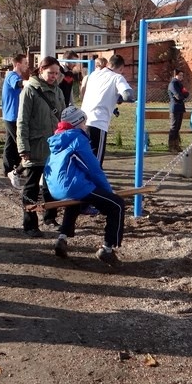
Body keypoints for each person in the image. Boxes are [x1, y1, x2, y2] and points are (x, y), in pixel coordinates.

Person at [44, 106, 126, 265]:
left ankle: (62, 238)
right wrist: (109, 192)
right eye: (84, 122)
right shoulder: (77, 139)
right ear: (77, 123)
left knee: (75, 201)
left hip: (55, 188)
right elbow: (93, 169)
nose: (86, 126)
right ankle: (107, 249)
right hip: (71, 186)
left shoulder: (58, 138)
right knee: (117, 204)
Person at [17, 56, 64, 237]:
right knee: (31, 187)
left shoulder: (58, 91)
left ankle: (50, 218)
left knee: (52, 185)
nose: (53, 76)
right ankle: (29, 225)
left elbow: (62, 118)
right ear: (41, 70)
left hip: (54, 146)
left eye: (56, 73)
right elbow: (22, 121)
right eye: (50, 72)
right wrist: (23, 147)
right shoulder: (29, 91)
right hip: (35, 145)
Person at [80, 54, 134, 164]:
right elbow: (128, 95)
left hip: (82, 120)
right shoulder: (117, 77)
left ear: (109, 63)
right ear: (121, 68)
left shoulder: (94, 74)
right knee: (96, 162)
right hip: (98, 121)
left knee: (84, 159)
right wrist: (121, 98)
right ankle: (94, 181)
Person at [1, 53, 30, 178]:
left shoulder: (14, 76)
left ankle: (8, 168)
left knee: (10, 143)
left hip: (11, 115)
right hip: (12, 116)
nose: (27, 66)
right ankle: (18, 168)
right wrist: (30, 83)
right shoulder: (12, 76)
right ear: (18, 64)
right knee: (19, 142)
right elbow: (18, 84)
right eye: (25, 63)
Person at [168, 69, 190, 153]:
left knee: (178, 128)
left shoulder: (179, 84)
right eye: (180, 75)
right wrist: (182, 94)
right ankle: (171, 146)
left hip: (180, 107)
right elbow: (178, 96)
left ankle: (176, 145)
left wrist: (182, 94)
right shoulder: (173, 84)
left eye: (182, 75)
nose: (181, 77)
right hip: (175, 108)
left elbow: (186, 94)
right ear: (175, 75)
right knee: (173, 128)